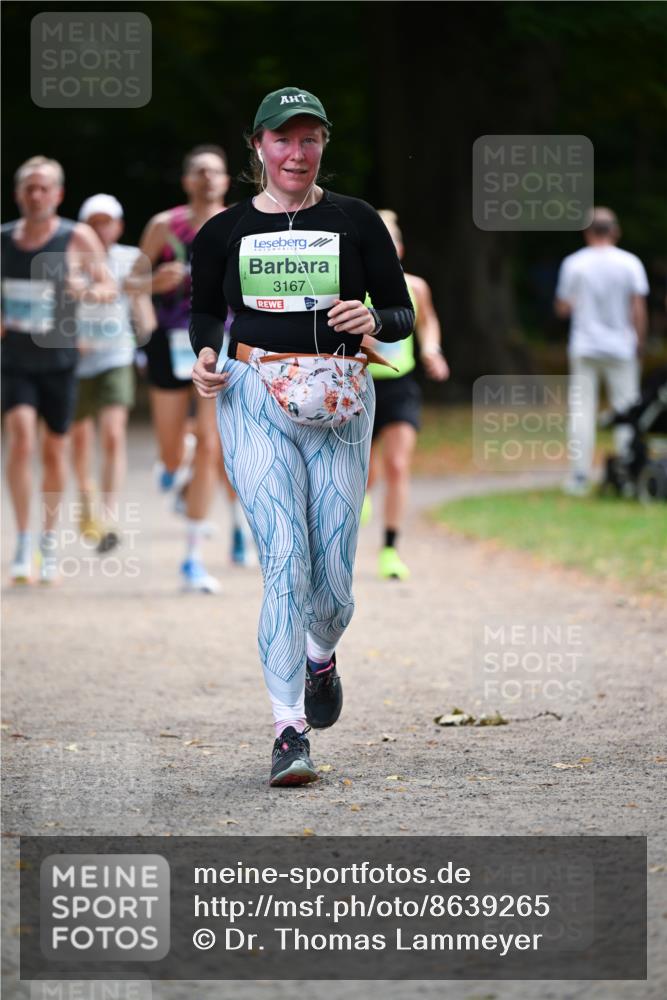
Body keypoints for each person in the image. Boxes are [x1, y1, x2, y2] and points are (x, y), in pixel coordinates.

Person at [189, 87, 414, 786]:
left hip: (342, 400)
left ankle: (321, 653)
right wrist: (203, 355)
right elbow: (203, 310)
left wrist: (371, 321)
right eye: (283, 139)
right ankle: (288, 731)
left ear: (323, 146)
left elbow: (401, 311)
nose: (297, 152)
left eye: (309, 138)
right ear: (256, 147)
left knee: (334, 589)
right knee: (284, 559)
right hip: (254, 396)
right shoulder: (223, 230)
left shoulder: (355, 221)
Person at [133, 144, 252, 592]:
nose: (207, 178)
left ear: (226, 181)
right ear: (187, 180)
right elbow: (132, 281)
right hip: (170, 342)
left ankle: (192, 559)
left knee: (209, 445)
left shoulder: (242, 222)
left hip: (220, 343)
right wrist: (150, 282)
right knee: (172, 452)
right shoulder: (165, 226)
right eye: (199, 171)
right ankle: (172, 462)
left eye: (215, 172)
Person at [1, 156, 115, 584]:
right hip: (13, 361)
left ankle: (48, 544)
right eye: (29, 187)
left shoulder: (76, 236)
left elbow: (107, 286)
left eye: (43, 187)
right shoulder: (4, 240)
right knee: (21, 441)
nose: (35, 195)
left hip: (60, 360)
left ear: (58, 194)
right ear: (18, 194)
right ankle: (23, 541)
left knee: (53, 451)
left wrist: (83, 287)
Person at [361, 210, 449, 580]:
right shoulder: (351, 286)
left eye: (390, 244)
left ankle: (390, 549)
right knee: (362, 472)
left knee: (397, 464)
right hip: (357, 387)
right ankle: (361, 493)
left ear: (399, 248)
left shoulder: (416, 286)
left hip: (401, 386)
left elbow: (428, 324)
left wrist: (432, 350)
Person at [71, 194, 149, 551]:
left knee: (114, 434)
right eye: (94, 222)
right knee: (80, 439)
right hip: (74, 359)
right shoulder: (67, 258)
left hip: (116, 355)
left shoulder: (131, 259)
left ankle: (108, 512)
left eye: (108, 221)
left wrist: (147, 336)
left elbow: (141, 305)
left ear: (118, 225)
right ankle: (86, 502)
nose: (101, 228)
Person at [555, 207, 649, 495]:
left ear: (587, 232)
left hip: (584, 346)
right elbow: (638, 308)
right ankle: (629, 473)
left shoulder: (574, 263)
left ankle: (580, 476)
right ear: (615, 231)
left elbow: (563, 307)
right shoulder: (630, 263)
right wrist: (640, 342)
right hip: (621, 347)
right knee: (628, 410)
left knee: (582, 411)